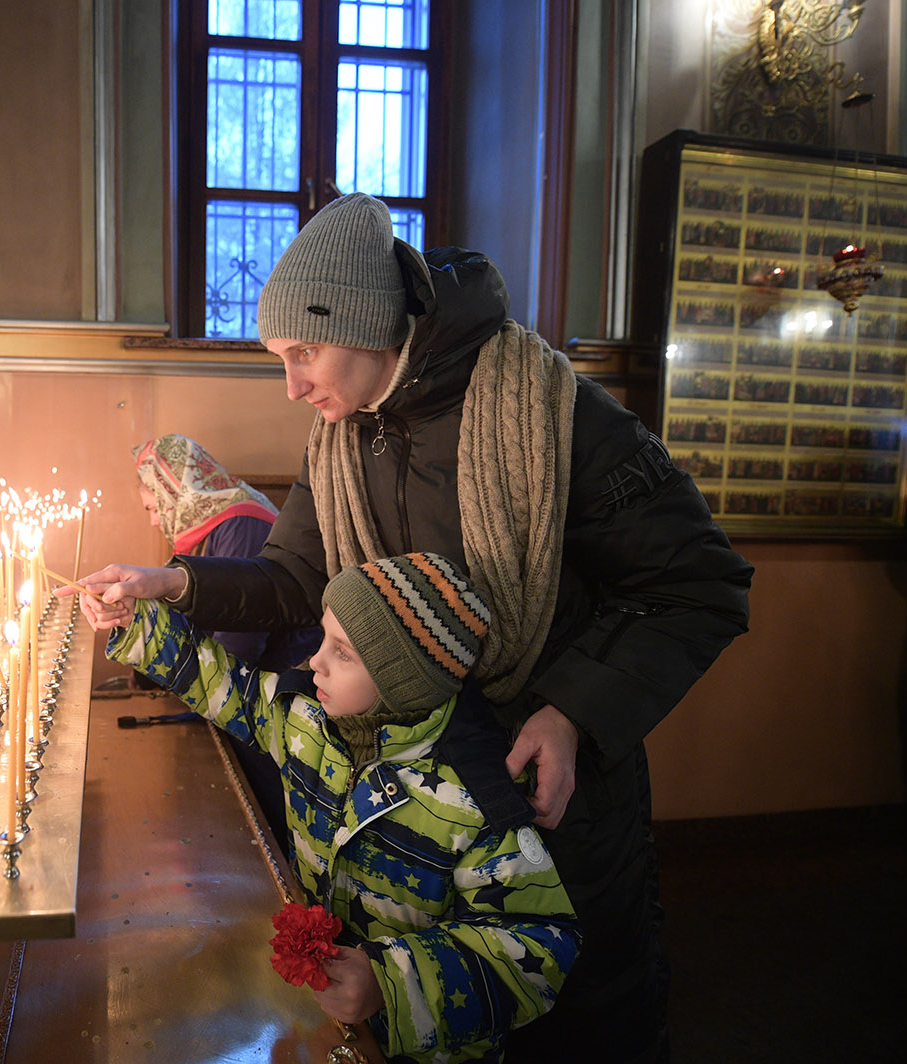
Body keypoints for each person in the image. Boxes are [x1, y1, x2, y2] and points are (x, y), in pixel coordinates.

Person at [70, 192, 754, 1062]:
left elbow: (699, 584)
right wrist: (170, 580)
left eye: (303, 352)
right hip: (413, 790)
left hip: (546, 787)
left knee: (579, 1015)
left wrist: (570, 712)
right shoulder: (340, 438)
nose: (292, 383)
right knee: (426, 1007)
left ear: (363, 323)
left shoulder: (551, 413)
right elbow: (292, 581)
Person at [106, 550, 581, 1061]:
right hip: (324, 1025)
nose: (315, 660)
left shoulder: (474, 800)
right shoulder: (305, 721)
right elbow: (225, 687)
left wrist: (389, 984)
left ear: (403, 683)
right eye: (323, 637)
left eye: (343, 652)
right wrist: (141, 623)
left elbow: (541, 945)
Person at [132, 433, 319, 672]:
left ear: (174, 494)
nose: (153, 521)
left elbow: (239, 642)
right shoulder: (212, 523)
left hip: (283, 675)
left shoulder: (240, 523)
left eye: (153, 507)